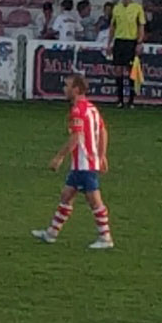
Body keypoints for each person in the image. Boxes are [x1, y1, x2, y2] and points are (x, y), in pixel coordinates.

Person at [35, 72, 113, 249]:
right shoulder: (92, 108)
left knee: (94, 201)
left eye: (67, 86)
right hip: (87, 162)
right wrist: (102, 155)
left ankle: (105, 237)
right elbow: (103, 131)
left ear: (76, 89)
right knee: (66, 195)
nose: (64, 89)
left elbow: (76, 137)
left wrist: (59, 156)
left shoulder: (77, 110)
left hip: (83, 164)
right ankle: (51, 233)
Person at [105, 0, 145, 108]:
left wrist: (139, 42)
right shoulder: (117, 8)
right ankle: (120, 100)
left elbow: (141, 26)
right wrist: (109, 43)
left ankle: (131, 100)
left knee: (130, 70)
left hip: (131, 41)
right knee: (118, 70)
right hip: (119, 41)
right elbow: (112, 26)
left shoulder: (137, 8)